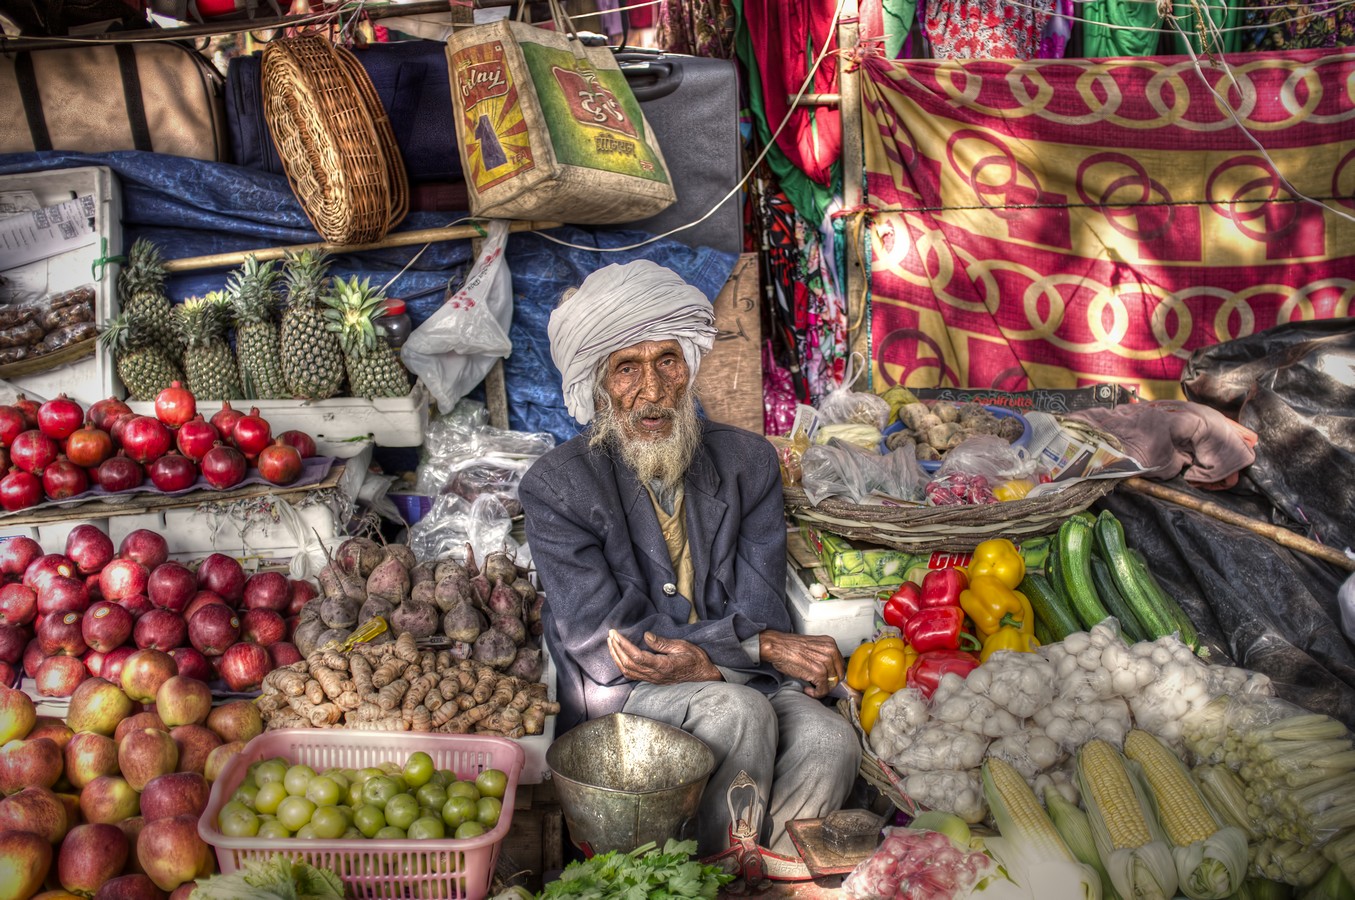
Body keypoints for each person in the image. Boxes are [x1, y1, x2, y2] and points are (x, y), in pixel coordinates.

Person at [519, 259, 861, 863]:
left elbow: (760, 606)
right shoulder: (557, 486)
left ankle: (755, 877)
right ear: (596, 382)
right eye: (626, 368)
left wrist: (717, 658)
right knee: (738, 713)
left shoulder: (748, 463)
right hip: (626, 695)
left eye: (667, 362)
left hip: (734, 677)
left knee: (831, 740)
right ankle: (705, 877)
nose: (651, 392)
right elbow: (607, 643)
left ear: (691, 366)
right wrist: (757, 649)